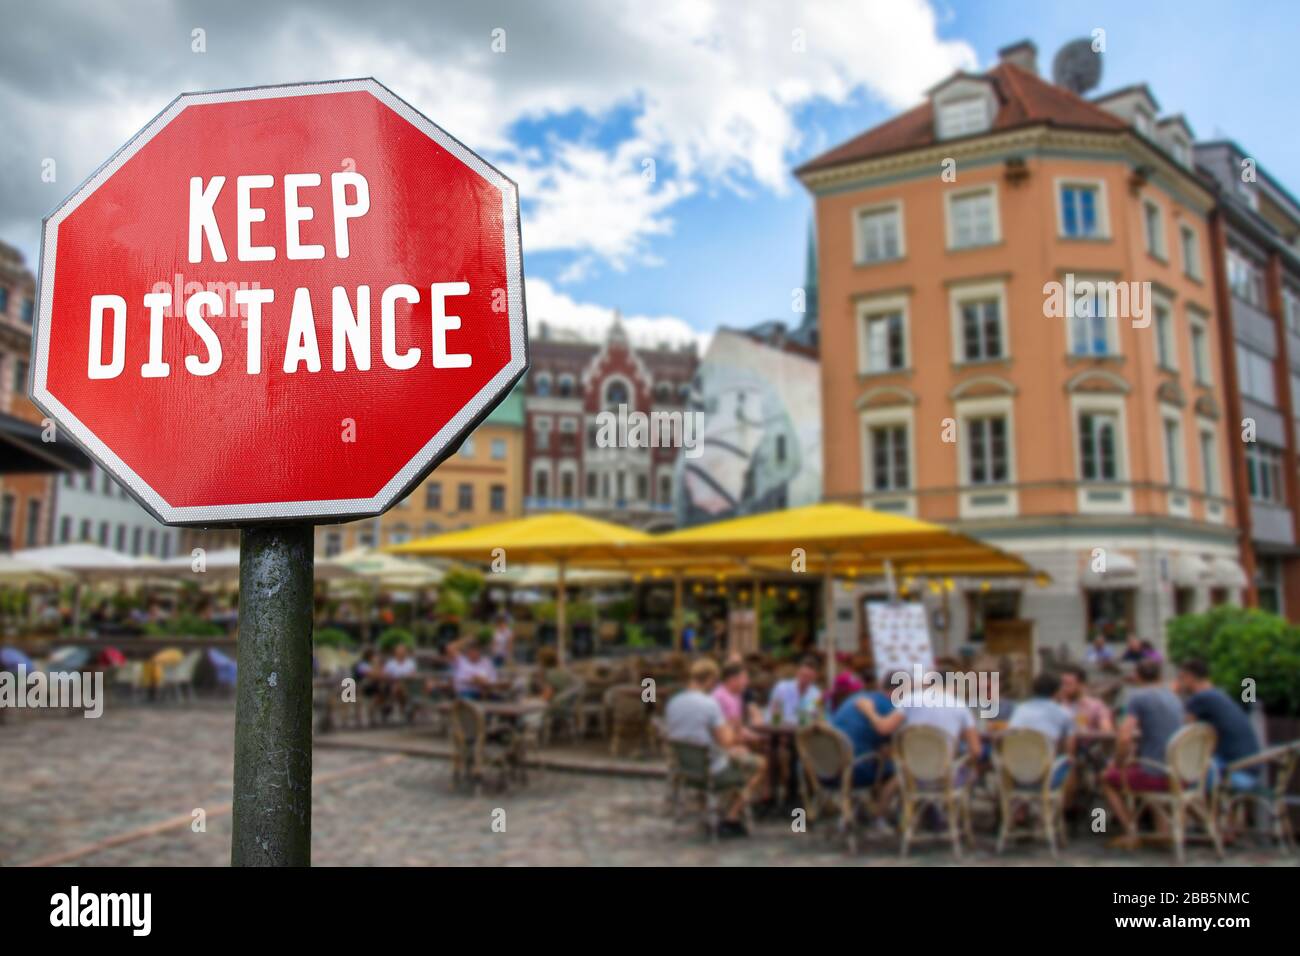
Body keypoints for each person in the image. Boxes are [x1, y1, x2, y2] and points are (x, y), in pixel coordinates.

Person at [665, 659, 766, 835]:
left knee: (737, 757)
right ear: (710, 679)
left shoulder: (673, 702)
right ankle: (731, 815)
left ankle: (718, 810)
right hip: (712, 770)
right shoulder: (709, 705)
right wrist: (737, 731)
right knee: (760, 764)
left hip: (686, 769)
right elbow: (727, 741)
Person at [1101, 659, 1185, 848]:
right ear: (1161, 676)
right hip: (1180, 773)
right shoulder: (1174, 697)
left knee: (1107, 778)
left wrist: (1117, 763)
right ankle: (1162, 833)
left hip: (1157, 774)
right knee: (1147, 767)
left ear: (1137, 676)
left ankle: (1132, 831)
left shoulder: (1138, 697)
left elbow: (1124, 737)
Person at [1175, 658, 1260, 785]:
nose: (1179, 682)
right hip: (1251, 769)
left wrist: (1172, 693)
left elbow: (1184, 736)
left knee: (1182, 778)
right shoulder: (1220, 694)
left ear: (1189, 677)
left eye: (1181, 678)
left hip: (1234, 773)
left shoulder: (1200, 698)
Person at [831, 673, 904, 789]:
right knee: (900, 771)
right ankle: (882, 806)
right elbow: (899, 741)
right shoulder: (889, 706)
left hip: (824, 770)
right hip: (853, 772)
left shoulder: (855, 698)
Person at [1009, 672, 1076, 789]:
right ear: (1057, 691)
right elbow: (1069, 749)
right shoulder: (1064, 713)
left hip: (1016, 773)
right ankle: (1059, 806)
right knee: (1072, 764)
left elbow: (1010, 734)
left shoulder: (1020, 709)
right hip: (1046, 776)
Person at [1057, 665, 1115, 733]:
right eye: (1062, 684)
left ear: (1081, 685)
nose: (1064, 688)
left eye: (1068, 684)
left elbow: (1107, 731)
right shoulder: (1056, 705)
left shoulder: (1096, 706)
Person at [765, 656, 822, 726]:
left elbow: (811, 718)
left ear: (814, 677)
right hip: (779, 729)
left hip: (802, 731)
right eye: (803, 675)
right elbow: (774, 717)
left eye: (809, 677)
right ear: (797, 673)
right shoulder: (781, 688)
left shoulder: (816, 694)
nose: (805, 680)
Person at [447, 635, 498, 699]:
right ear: (467, 651)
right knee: (466, 700)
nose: (474, 652)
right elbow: (450, 648)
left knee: (500, 700)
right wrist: (468, 639)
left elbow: (493, 680)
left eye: (476, 649)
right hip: (465, 692)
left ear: (480, 651)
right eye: (471, 649)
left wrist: (483, 681)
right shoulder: (460, 660)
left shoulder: (486, 662)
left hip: (484, 693)